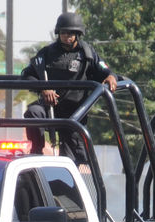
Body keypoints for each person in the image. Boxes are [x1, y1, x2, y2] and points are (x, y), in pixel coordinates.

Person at [21, 12, 118, 163]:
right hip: (49, 108)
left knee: (75, 160)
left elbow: (105, 71)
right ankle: (36, 153)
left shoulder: (87, 54)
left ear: (78, 34)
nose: (67, 36)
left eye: (71, 33)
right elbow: (26, 75)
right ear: (58, 33)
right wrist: (43, 88)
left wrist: (111, 77)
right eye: (64, 33)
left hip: (75, 113)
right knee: (33, 112)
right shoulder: (47, 53)